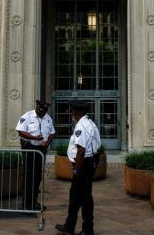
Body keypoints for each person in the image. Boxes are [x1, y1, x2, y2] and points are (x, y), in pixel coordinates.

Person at [56, 100, 101, 235]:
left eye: (73, 111)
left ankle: (87, 229)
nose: (72, 114)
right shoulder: (89, 122)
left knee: (85, 198)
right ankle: (70, 225)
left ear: (78, 111)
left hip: (83, 165)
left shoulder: (82, 125)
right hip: (88, 163)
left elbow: (81, 150)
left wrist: (77, 170)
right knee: (75, 196)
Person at [15, 99, 55, 211]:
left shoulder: (47, 118)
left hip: (41, 149)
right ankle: (26, 204)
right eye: (41, 111)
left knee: (37, 176)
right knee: (29, 176)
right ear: (37, 107)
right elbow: (20, 131)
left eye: (44, 112)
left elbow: (52, 133)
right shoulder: (27, 116)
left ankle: (34, 202)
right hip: (29, 148)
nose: (42, 113)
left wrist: (47, 142)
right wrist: (34, 138)